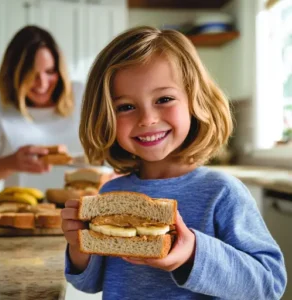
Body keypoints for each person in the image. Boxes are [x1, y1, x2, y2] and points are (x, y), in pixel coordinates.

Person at [61, 26, 287, 299]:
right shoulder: (109, 194)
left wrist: (192, 253)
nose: (147, 119)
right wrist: (77, 246)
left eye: (164, 99)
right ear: (106, 116)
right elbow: (89, 284)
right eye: (126, 107)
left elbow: (269, 285)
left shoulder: (221, 192)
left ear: (194, 102)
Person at [0, 25, 85, 203]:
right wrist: (11, 163)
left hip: (84, 209)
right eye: (31, 74)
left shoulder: (81, 95)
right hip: (21, 210)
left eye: (50, 72)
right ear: (13, 74)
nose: (42, 84)